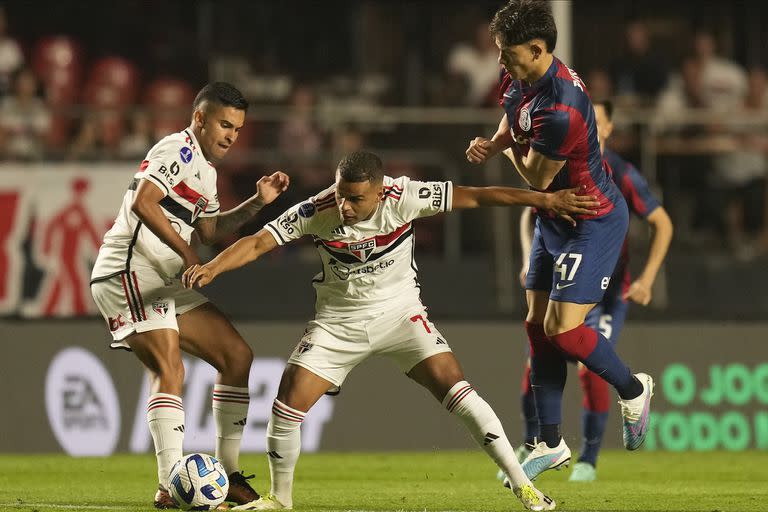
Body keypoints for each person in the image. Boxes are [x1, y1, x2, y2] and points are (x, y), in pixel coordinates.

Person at [183, 150, 601, 511]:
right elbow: (258, 242)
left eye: (356, 198)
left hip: (401, 316)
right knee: (287, 402)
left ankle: (523, 485)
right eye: (341, 194)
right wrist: (213, 267)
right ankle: (280, 498)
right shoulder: (318, 209)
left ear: (381, 191)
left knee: (457, 388)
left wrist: (544, 198)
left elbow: (478, 196)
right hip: (337, 325)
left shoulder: (407, 196)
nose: (344, 205)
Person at [465, 0, 654, 482]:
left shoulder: (565, 108)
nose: (501, 64)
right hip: (553, 216)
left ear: (538, 48)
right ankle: (549, 442)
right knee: (536, 325)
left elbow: (535, 176)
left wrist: (503, 156)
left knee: (563, 330)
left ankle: (633, 389)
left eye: (508, 54)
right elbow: (513, 120)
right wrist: (496, 140)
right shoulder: (520, 77)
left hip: (588, 216)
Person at [89, 82, 290, 509]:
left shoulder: (207, 172)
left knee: (237, 356)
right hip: (130, 270)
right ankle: (168, 487)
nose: (231, 135)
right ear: (199, 118)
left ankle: (230, 473)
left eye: (237, 128)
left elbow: (211, 232)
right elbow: (145, 202)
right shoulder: (176, 150)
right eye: (224, 124)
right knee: (170, 368)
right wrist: (187, 254)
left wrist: (257, 201)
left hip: (163, 277)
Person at [511, 100, 673, 482]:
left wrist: (647, 279)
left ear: (610, 128)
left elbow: (662, 223)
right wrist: (525, 257)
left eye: (597, 124)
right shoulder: (554, 152)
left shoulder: (620, 172)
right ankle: (545, 442)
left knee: (582, 359)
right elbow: (530, 206)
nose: (590, 130)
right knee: (538, 334)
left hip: (608, 288)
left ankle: (590, 458)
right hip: (553, 245)